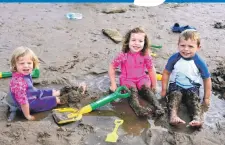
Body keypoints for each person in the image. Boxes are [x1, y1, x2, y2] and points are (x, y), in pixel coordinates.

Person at [108, 27, 164, 117]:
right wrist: (113, 84)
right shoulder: (123, 55)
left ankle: (158, 107)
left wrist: (154, 84)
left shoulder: (145, 54)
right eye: (133, 40)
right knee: (132, 92)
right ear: (128, 41)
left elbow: (151, 69)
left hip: (142, 78)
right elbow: (112, 67)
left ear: (144, 43)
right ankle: (138, 108)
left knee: (147, 90)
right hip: (127, 80)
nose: (137, 43)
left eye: (140, 41)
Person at [161, 29, 212, 127]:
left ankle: (196, 118)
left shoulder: (199, 62)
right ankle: (173, 116)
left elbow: (207, 79)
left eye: (190, 46)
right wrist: (164, 90)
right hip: (176, 86)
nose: (186, 49)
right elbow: (166, 73)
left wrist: (206, 97)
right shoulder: (174, 58)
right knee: (174, 97)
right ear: (178, 45)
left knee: (193, 99)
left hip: (192, 88)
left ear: (198, 47)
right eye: (183, 45)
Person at [6, 46, 63, 121]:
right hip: (29, 104)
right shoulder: (19, 84)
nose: (26, 65)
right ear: (15, 65)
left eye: (29, 63)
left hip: (30, 94)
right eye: (22, 63)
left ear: (33, 63)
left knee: (49, 92)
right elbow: (24, 103)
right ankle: (68, 97)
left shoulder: (23, 73)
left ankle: (56, 93)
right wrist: (28, 116)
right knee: (55, 100)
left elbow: (30, 90)